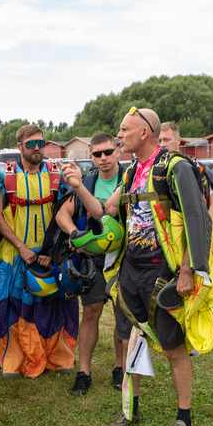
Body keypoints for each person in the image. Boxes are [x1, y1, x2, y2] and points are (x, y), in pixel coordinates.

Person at [64, 107, 213, 426]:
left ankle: (184, 419)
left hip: (163, 272)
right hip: (130, 270)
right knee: (128, 340)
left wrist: (187, 271)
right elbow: (107, 212)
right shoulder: (132, 171)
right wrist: (77, 185)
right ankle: (129, 408)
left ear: (144, 133)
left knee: (173, 346)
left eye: (124, 130)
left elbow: (197, 219)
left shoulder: (176, 168)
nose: (118, 136)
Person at [0, 124, 78, 378]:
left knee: (55, 305)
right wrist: (22, 248)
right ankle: (15, 361)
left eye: (41, 143)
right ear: (19, 147)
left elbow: (64, 213)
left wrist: (51, 250)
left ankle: (58, 357)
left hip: (50, 255)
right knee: (16, 308)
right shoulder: (4, 178)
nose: (38, 148)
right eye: (31, 144)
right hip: (15, 256)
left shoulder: (56, 176)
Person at [53, 133, 125, 395]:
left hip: (123, 260)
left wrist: (78, 186)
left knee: (122, 316)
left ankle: (120, 368)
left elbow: (106, 212)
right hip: (92, 263)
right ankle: (83, 372)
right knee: (91, 314)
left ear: (118, 151)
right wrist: (74, 233)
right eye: (97, 154)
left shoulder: (128, 179)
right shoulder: (90, 180)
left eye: (108, 152)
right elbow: (63, 213)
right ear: (91, 156)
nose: (103, 158)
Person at [160, 122, 213, 226]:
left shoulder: (195, 167)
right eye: (159, 141)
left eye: (166, 140)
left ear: (178, 140)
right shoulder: (155, 170)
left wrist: (209, 234)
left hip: (194, 228)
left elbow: (211, 203)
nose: (162, 144)